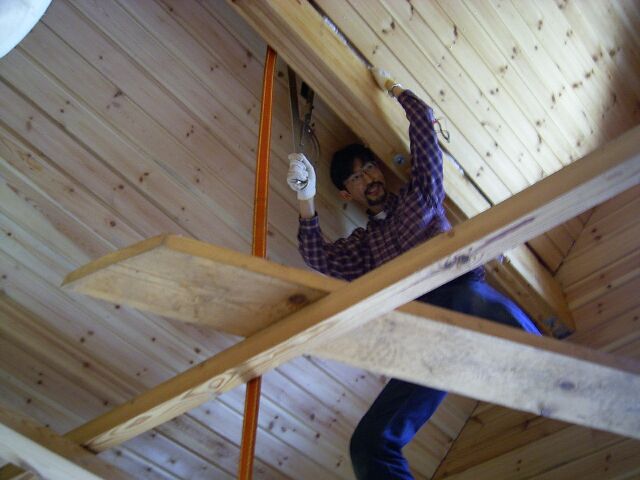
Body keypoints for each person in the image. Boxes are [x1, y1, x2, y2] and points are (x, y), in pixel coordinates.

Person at [286, 68, 540, 480]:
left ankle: (545, 362)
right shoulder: (365, 248)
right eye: (356, 177)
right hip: (428, 339)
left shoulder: (419, 194)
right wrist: (306, 197)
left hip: (460, 294)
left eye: (369, 167)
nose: (368, 177)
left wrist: (391, 86)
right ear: (347, 194)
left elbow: (422, 121)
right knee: (368, 445)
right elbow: (317, 255)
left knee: (463, 299)